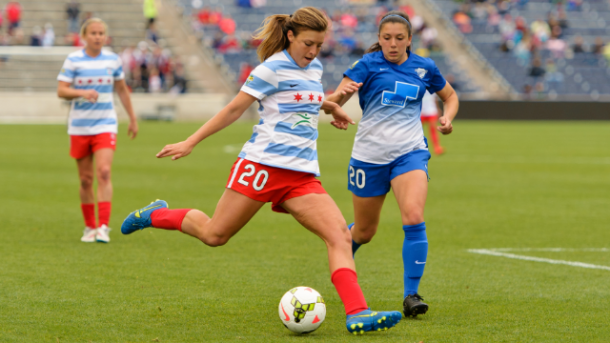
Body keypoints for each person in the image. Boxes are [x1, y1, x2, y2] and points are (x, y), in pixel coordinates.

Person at [120, 7, 402, 334]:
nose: (312, 52)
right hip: (261, 167)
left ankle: (358, 313)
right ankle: (156, 214)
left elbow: (304, 98)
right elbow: (233, 109)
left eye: (319, 46)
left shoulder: (314, 67)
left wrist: (330, 105)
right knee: (215, 235)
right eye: (307, 44)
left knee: (339, 235)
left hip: (301, 175)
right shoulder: (271, 68)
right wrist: (190, 141)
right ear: (291, 36)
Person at [325, 10, 459, 318]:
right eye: (387, 38)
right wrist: (337, 102)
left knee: (413, 216)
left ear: (410, 40)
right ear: (379, 39)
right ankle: (341, 257)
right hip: (369, 158)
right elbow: (333, 103)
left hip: (409, 153)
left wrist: (447, 117)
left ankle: (411, 294)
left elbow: (450, 96)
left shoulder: (425, 67)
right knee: (364, 232)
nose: (393, 44)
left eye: (400, 38)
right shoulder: (366, 65)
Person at [57, 18, 138, 243]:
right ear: (84, 36)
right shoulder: (73, 59)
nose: (98, 37)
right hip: (79, 126)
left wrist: (132, 118)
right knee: (85, 179)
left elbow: (121, 90)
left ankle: (103, 227)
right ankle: (89, 227)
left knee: (103, 172)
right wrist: (82, 93)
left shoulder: (113, 60)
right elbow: (61, 90)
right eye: (93, 33)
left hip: (105, 124)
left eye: (101, 33)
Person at [420, 91, 444, 155]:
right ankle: (415, 147)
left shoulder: (432, 87)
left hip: (431, 111)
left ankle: (437, 148)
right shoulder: (420, 86)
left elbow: (435, 99)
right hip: (421, 112)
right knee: (417, 130)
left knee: (433, 130)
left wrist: (438, 109)